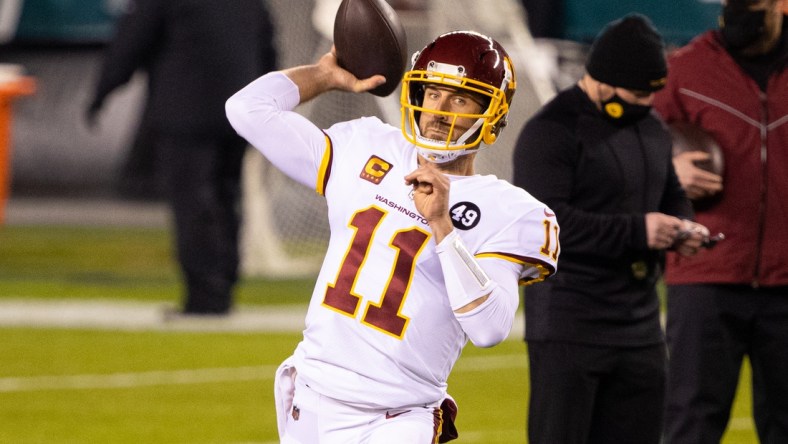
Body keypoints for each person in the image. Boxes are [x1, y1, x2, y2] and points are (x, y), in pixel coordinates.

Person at [226, 31, 559, 442]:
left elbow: (490, 329)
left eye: (459, 98)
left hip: (399, 417)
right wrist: (322, 75)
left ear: (493, 115)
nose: (439, 111)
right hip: (311, 397)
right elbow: (246, 109)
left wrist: (443, 227)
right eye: (432, 93)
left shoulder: (506, 210)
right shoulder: (367, 147)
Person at [512, 14, 711, 444]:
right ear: (602, 81)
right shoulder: (550, 131)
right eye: (638, 92)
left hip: (639, 327)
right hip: (570, 325)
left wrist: (684, 227)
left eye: (653, 93)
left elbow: (670, 191)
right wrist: (637, 232)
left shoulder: (650, 127)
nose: (647, 102)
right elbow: (546, 226)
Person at [86, 0, 277, 315]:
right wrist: (270, 104)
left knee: (193, 201)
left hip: (186, 111)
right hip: (241, 113)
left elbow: (132, 41)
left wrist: (102, 91)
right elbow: (268, 48)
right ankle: (224, 286)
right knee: (226, 197)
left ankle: (205, 296)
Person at [652, 0, 788, 442]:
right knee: (691, 423)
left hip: (786, 279)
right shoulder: (685, 70)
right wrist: (668, 172)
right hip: (705, 274)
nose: (740, 12)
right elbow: (632, 152)